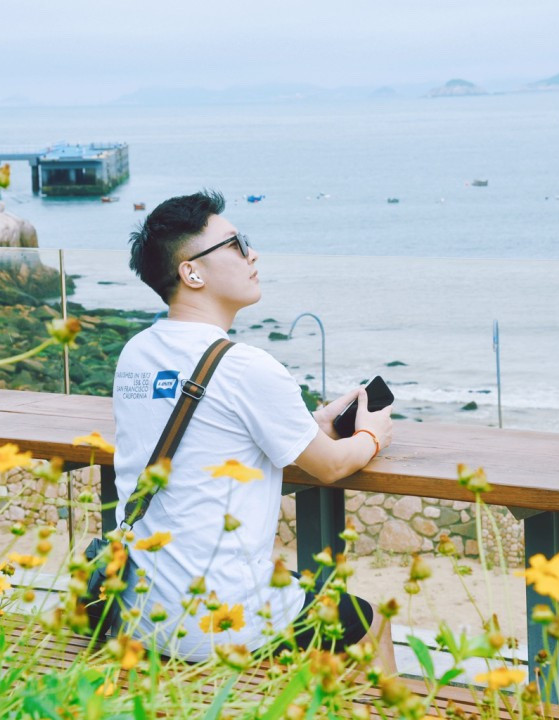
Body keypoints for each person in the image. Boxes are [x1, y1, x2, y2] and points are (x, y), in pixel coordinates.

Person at [113, 190, 394, 666]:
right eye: (236, 244)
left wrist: (310, 425)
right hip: (219, 621)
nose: (252, 254)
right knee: (373, 623)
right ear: (192, 273)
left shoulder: (136, 353)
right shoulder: (245, 366)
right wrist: (371, 435)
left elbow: (204, 435)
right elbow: (330, 467)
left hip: (137, 607)